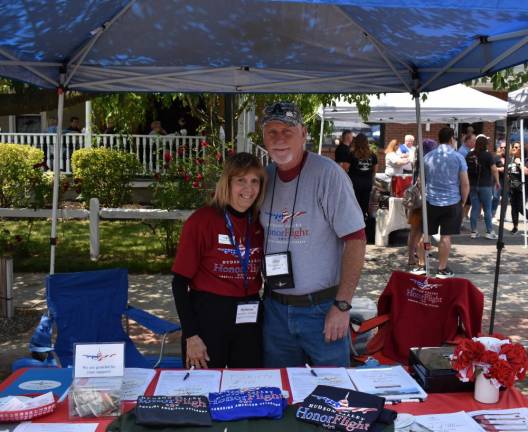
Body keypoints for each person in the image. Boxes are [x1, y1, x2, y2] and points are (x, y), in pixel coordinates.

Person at [260, 101, 366, 368]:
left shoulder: (328, 175)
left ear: (304, 133)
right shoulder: (262, 178)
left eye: (288, 131)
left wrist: (342, 306)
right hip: (275, 310)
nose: (280, 138)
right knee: (280, 392)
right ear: (263, 137)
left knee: (332, 394)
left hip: (322, 310)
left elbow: (356, 240)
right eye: (272, 132)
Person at [171, 152, 266, 368]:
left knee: (247, 390)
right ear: (227, 183)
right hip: (208, 316)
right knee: (202, 392)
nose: (248, 189)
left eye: (254, 181)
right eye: (240, 181)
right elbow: (179, 283)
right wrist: (191, 335)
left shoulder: (260, 222)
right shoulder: (202, 221)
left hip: (249, 315)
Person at [415, 127, 469, 278]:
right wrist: (463, 202)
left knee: (426, 235)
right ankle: (441, 268)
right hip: (452, 202)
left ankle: (421, 264)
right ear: (452, 138)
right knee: (446, 237)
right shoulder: (458, 157)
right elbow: (465, 184)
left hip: (431, 202)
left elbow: (420, 182)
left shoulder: (428, 157)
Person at [407, 138, 437, 270]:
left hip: (415, 201)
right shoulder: (429, 162)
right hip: (425, 200)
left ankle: (411, 258)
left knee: (414, 231)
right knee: (424, 233)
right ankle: (422, 258)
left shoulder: (416, 161)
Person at [466, 135, 499, 240]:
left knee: (474, 208)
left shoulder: (470, 155)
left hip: (472, 185)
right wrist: (497, 181)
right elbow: (494, 170)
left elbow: (465, 170)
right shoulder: (488, 155)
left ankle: (474, 231)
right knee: (487, 209)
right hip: (485, 185)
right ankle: (489, 231)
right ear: (485, 144)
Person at [347, 133, 378, 218]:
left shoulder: (352, 154)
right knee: (364, 204)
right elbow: (375, 170)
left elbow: (345, 168)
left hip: (354, 183)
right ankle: (363, 222)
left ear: (356, 142)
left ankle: (355, 223)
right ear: (366, 142)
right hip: (367, 183)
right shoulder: (373, 155)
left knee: (354, 204)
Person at [507, 142, 528, 235]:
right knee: (513, 208)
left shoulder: (525, 159)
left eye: (517, 147)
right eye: (514, 147)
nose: (515, 148)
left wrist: (519, 163)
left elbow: (526, 172)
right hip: (512, 188)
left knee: (520, 208)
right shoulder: (511, 159)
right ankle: (515, 227)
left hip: (522, 187)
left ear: (521, 149)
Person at [491, 141, 506, 221]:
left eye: (505, 147)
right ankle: (492, 215)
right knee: (496, 198)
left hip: (506, 181)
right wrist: (500, 169)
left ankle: (502, 217)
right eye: (501, 147)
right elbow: (491, 168)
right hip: (497, 181)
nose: (503, 149)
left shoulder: (510, 158)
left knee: (505, 200)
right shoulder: (495, 157)